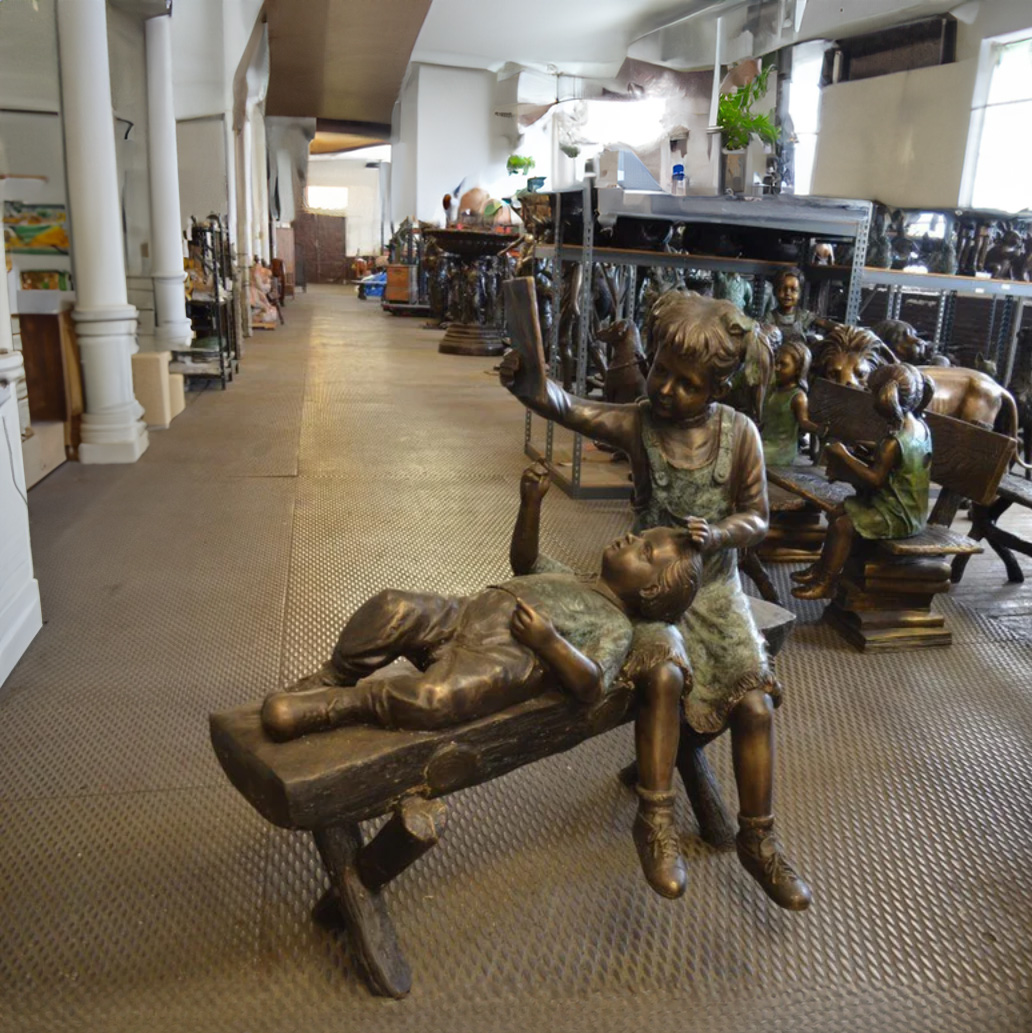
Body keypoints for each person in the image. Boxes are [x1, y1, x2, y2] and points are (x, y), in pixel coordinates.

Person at [499, 289, 811, 911]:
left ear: (716, 389)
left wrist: (720, 534)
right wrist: (528, 379)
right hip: (649, 595)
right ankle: (656, 819)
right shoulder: (640, 423)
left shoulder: (739, 434)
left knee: (754, 703)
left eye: (686, 384)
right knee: (662, 675)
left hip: (716, 589)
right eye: (661, 370)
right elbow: (566, 405)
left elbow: (757, 518)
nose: (665, 390)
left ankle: (760, 839)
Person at [261, 463, 702, 742]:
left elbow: (590, 686)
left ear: (650, 592)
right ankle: (333, 675)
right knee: (392, 605)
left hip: (503, 655)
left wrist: (549, 643)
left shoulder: (615, 626)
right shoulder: (570, 575)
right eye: (641, 537)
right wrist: (530, 503)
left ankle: (341, 706)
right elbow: (525, 559)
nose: (630, 538)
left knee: (437, 698)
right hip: (465, 611)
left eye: (643, 552)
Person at [792, 363, 933, 600]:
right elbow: (900, 463)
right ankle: (821, 569)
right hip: (908, 507)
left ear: (884, 397)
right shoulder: (919, 426)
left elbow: (875, 479)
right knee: (839, 511)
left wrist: (844, 456)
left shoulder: (894, 441)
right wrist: (869, 450)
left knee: (843, 525)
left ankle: (828, 583)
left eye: (872, 393)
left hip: (899, 515)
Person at [759, 339, 814, 468]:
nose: (777, 368)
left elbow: (804, 423)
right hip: (764, 441)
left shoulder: (798, 397)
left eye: (783, 364)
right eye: (776, 363)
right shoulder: (773, 390)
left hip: (781, 449)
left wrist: (819, 429)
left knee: (747, 454)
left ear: (797, 369)